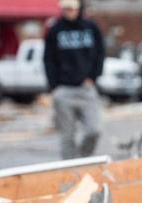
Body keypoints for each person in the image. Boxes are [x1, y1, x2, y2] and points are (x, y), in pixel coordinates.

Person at [43, 0, 104, 159]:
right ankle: (70, 171)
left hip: (86, 88)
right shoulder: (55, 30)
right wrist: (54, 86)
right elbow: (48, 59)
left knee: (94, 130)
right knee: (67, 136)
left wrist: (93, 77)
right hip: (64, 90)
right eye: (66, 9)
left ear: (78, 9)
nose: (69, 12)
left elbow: (100, 54)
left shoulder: (91, 28)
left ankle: (83, 160)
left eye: (71, 9)